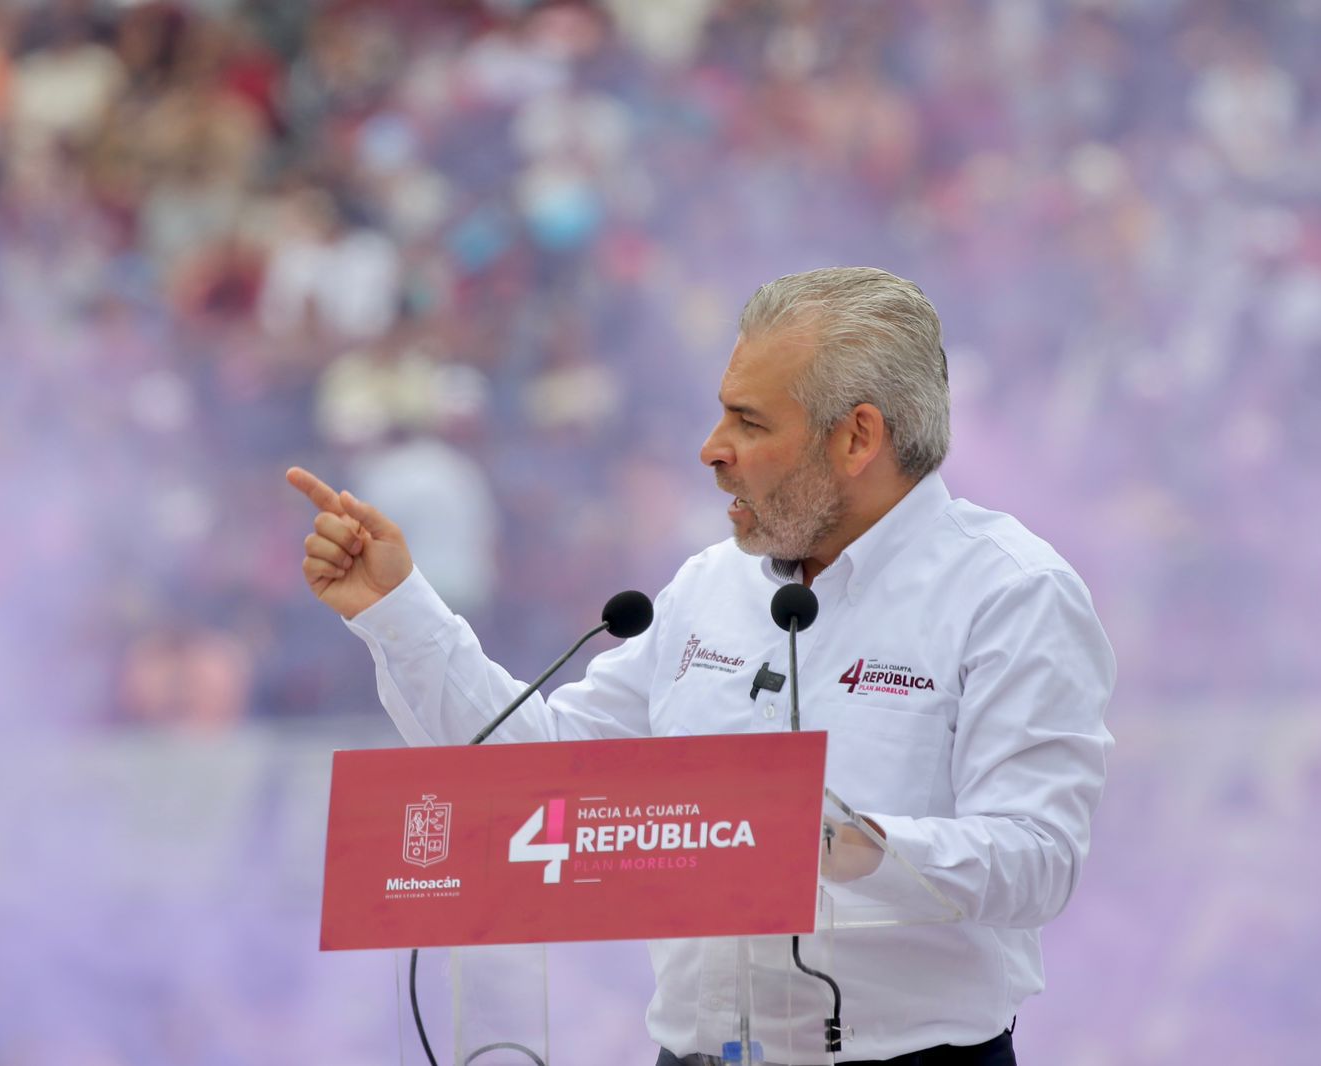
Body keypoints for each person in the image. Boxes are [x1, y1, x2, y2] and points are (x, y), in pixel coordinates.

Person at [288, 267, 1115, 1065]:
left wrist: (847, 843)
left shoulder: (1011, 591)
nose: (712, 450)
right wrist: (395, 610)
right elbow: (535, 768)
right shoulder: (709, 585)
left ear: (857, 437)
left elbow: (1038, 857)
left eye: (749, 423)